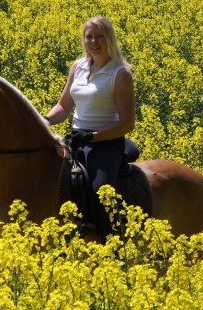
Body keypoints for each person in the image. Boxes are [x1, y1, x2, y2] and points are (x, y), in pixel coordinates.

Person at [44, 16, 139, 242]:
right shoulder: (78, 67)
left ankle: (114, 243)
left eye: (99, 37)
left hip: (106, 143)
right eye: (89, 37)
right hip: (76, 139)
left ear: (110, 40)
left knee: (101, 191)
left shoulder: (120, 74)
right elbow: (64, 106)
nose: (94, 42)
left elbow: (127, 123)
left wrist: (93, 137)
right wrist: (45, 120)